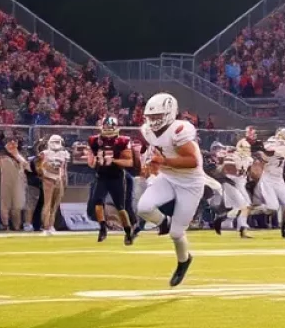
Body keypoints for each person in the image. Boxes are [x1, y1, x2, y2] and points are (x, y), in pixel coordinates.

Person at [136, 92, 208, 286]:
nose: (153, 121)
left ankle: (184, 261)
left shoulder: (180, 130)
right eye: (151, 117)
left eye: (157, 116)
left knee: (177, 234)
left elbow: (193, 162)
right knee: (143, 208)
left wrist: (164, 161)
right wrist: (151, 164)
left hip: (190, 184)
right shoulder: (148, 131)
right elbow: (156, 150)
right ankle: (163, 223)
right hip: (168, 177)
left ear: (169, 113)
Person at [87, 115, 135, 245]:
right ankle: (102, 228)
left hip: (116, 177)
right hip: (101, 176)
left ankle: (128, 230)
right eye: (106, 126)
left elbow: (130, 162)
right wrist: (93, 161)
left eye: (110, 127)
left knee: (120, 208)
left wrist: (113, 160)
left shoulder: (122, 141)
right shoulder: (94, 141)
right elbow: (91, 162)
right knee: (97, 202)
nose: (108, 129)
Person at [258, 126, 285, 240]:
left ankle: (284, 232)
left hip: (278, 179)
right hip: (268, 178)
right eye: (284, 136)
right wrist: (278, 145)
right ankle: (251, 209)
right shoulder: (271, 142)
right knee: (272, 207)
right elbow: (268, 149)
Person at [38, 134, 69, 236]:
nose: (56, 144)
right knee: (47, 203)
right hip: (48, 178)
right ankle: (45, 226)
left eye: (57, 141)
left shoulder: (64, 153)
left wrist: (63, 179)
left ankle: (51, 225)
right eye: (54, 142)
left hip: (59, 179)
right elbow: (40, 167)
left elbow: (64, 168)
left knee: (55, 205)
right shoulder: (44, 153)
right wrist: (44, 176)